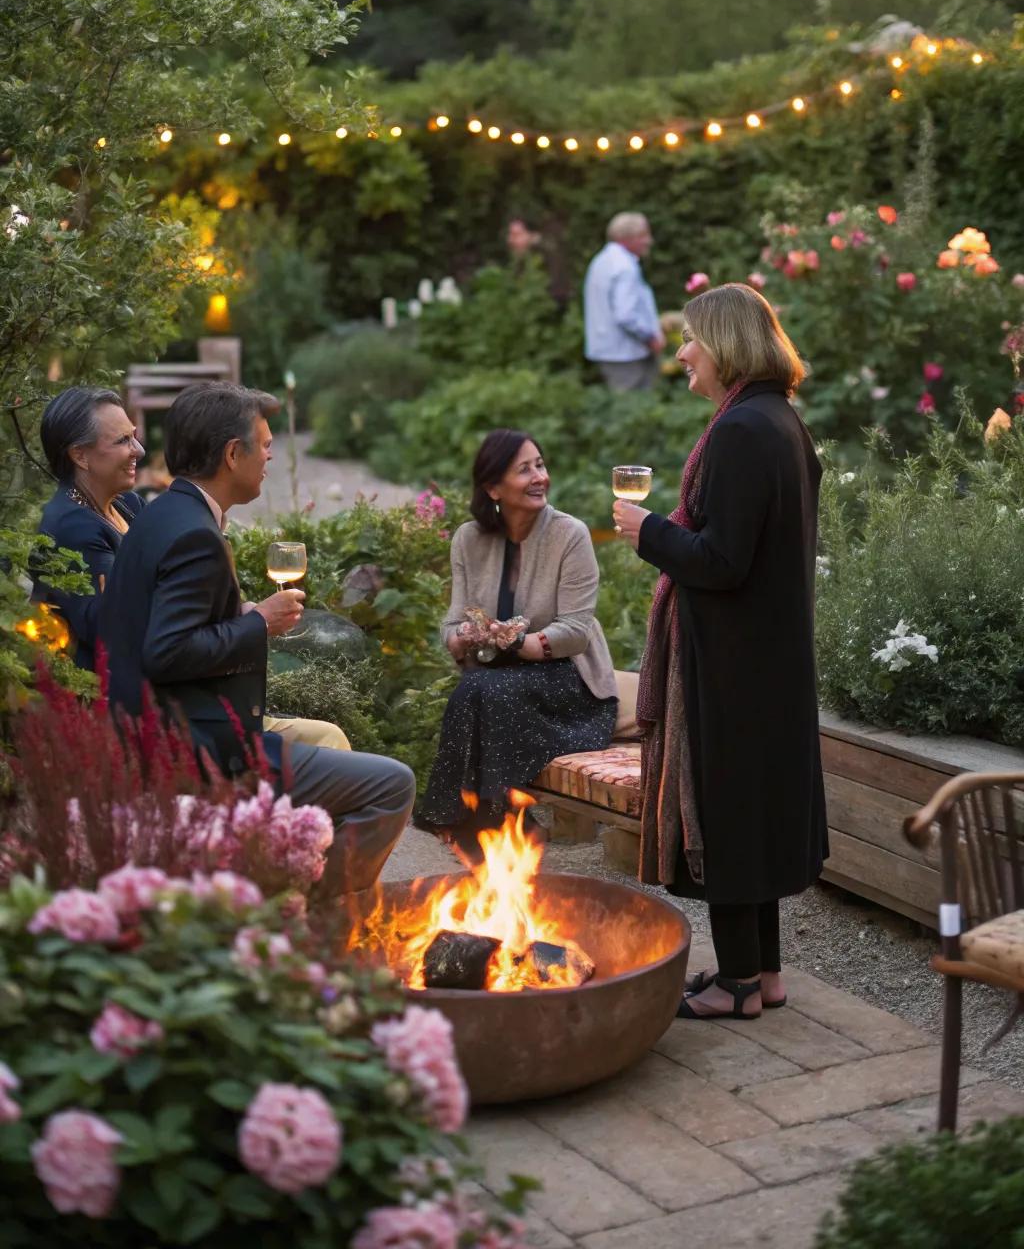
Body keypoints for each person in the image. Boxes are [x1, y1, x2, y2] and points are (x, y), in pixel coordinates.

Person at [99, 383, 415, 892]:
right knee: (393, 784)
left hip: (166, 725)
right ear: (231, 454)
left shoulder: (164, 512)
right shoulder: (195, 535)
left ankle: (296, 892)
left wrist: (238, 613)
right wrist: (256, 623)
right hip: (197, 748)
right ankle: (324, 921)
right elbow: (167, 651)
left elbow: (165, 627)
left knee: (333, 741)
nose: (270, 455)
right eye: (264, 444)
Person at [613, 283, 827, 1021]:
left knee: (729, 810)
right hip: (771, 654)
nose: (682, 355)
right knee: (755, 810)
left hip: (736, 660)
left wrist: (647, 533)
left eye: (692, 341)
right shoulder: (781, 423)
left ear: (728, 345)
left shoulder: (741, 432)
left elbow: (723, 560)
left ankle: (737, 984)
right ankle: (762, 974)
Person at [417, 428, 618, 835]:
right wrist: (462, 638)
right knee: (479, 689)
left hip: (568, 683)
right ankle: (492, 817)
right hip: (497, 681)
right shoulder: (468, 539)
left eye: (540, 465)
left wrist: (519, 643)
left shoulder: (570, 534)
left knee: (486, 690)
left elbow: (577, 630)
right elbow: (453, 621)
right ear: (493, 488)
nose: (539, 477)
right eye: (524, 470)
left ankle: (478, 817)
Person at [34, 388, 146, 670]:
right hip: (103, 697)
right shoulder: (73, 527)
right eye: (123, 440)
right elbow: (110, 629)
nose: (139, 450)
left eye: (133, 435)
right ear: (80, 456)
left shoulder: (126, 503)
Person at [582, 211, 665, 391]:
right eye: (643, 235)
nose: (649, 241)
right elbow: (626, 315)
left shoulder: (601, 260)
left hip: (609, 349)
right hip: (627, 353)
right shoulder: (625, 267)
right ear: (627, 237)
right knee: (634, 407)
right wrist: (650, 337)